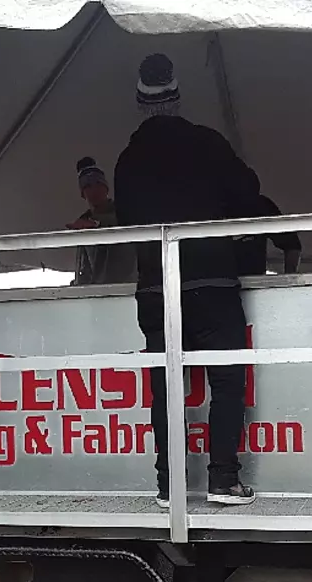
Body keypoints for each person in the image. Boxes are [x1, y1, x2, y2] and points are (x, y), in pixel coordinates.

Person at [115, 53, 260, 508]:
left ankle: (168, 485)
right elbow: (249, 193)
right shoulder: (209, 144)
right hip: (211, 281)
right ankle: (223, 480)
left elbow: (126, 221)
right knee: (227, 382)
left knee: (165, 387)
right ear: (177, 98)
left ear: (141, 104)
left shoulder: (126, 161)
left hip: (155, 288)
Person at [68, 157, 135, 285]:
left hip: (128, 290)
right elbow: (85, 266)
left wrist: (96, 224)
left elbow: (118, 222)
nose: (94, 190)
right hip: (100, 294)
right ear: (82, 193)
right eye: (88, 186)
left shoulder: (124, 212)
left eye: (98, 184)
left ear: (106, 188)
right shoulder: (83, 221)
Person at [236, 194, 303, 276]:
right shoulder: (217, 204)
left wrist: (289, 281)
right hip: (220, 279)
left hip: (254, 282)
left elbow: (292, 245)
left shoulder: (260, 205)